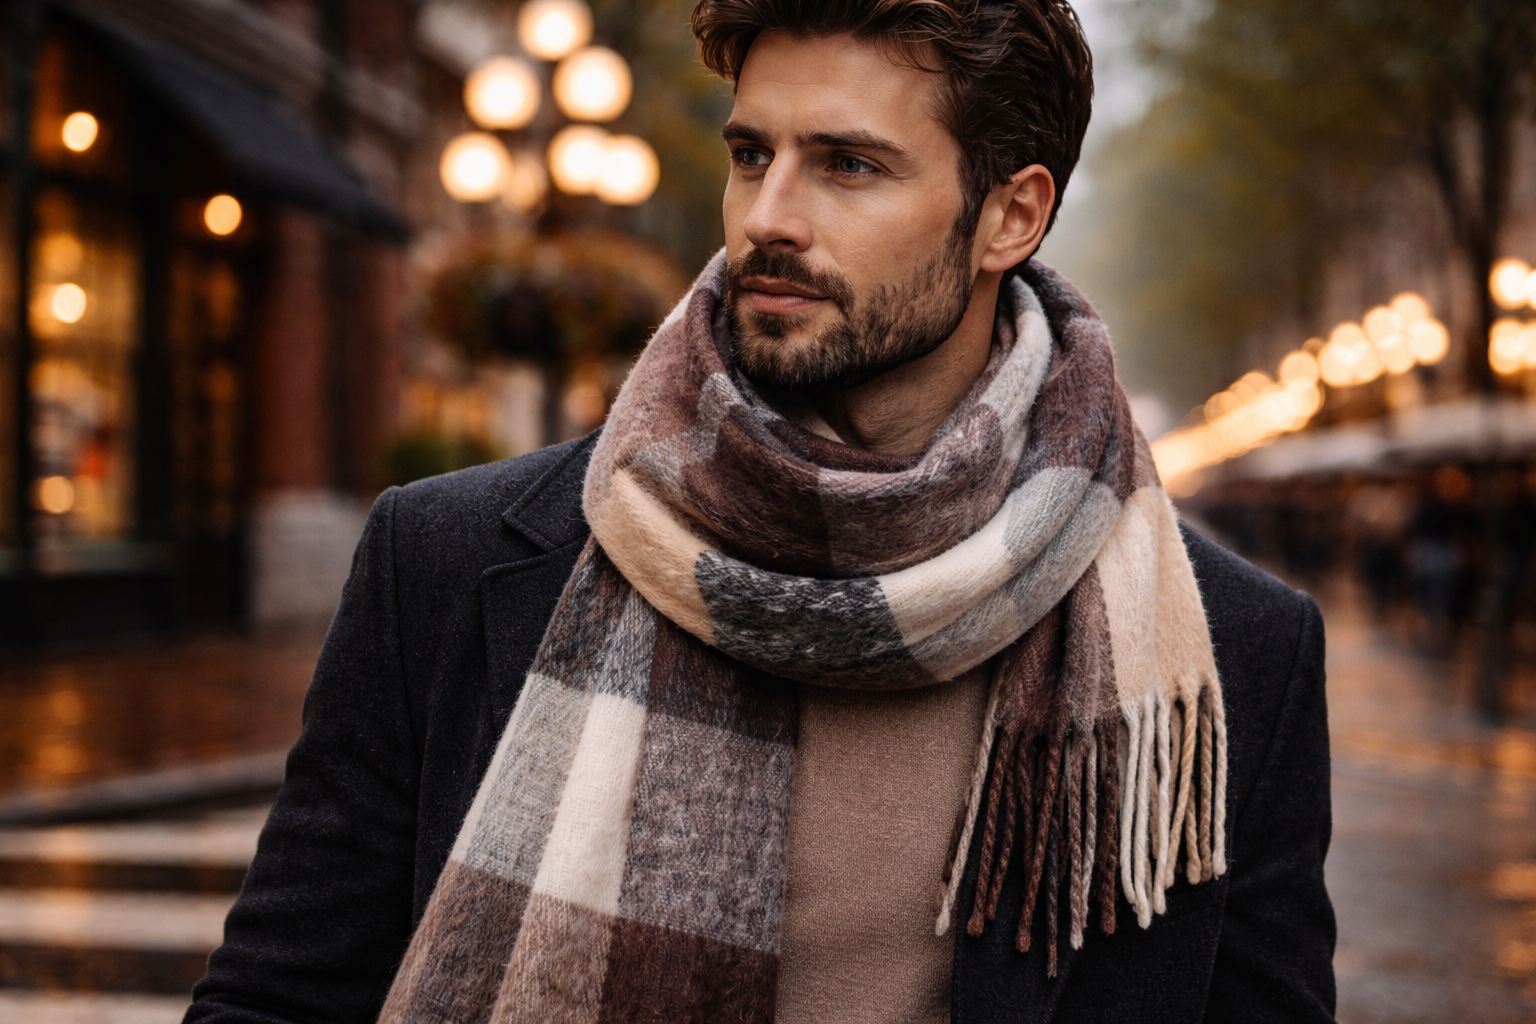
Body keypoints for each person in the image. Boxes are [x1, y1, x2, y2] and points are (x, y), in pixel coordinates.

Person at [185, 1, 1335, 1021]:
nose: (766, 217)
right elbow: (277, 998)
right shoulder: (446, 561)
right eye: (751, 153)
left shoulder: (1230, 662)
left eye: (848, 165)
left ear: (1010, 216)